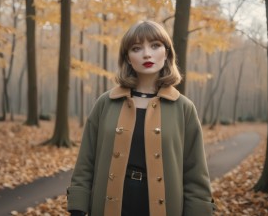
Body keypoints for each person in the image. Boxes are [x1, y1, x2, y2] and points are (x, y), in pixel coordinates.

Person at [67, 20, 215, 216]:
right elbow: (86, 162)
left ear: (167, 53)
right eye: (137, 48)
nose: (147, 53)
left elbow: (195, 174)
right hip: (108, 206)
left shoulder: (183, 108)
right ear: (128, 58)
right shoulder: (106, 103)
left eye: (155, 46)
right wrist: (78, 206)